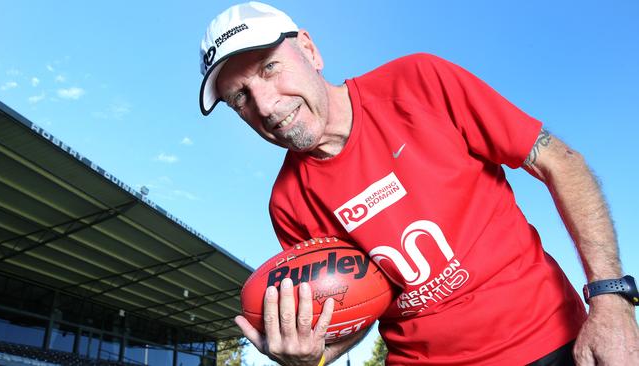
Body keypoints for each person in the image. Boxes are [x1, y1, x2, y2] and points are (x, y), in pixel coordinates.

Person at [198, 2, 639, 365]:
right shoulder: (287, 202)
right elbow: (356, 306)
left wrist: (611, 299)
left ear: (310, 50)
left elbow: (561, 163)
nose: (267, 104)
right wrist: (312, 353)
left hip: (549, 342)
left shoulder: (420, 82)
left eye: (270, 67)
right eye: (241, 96)